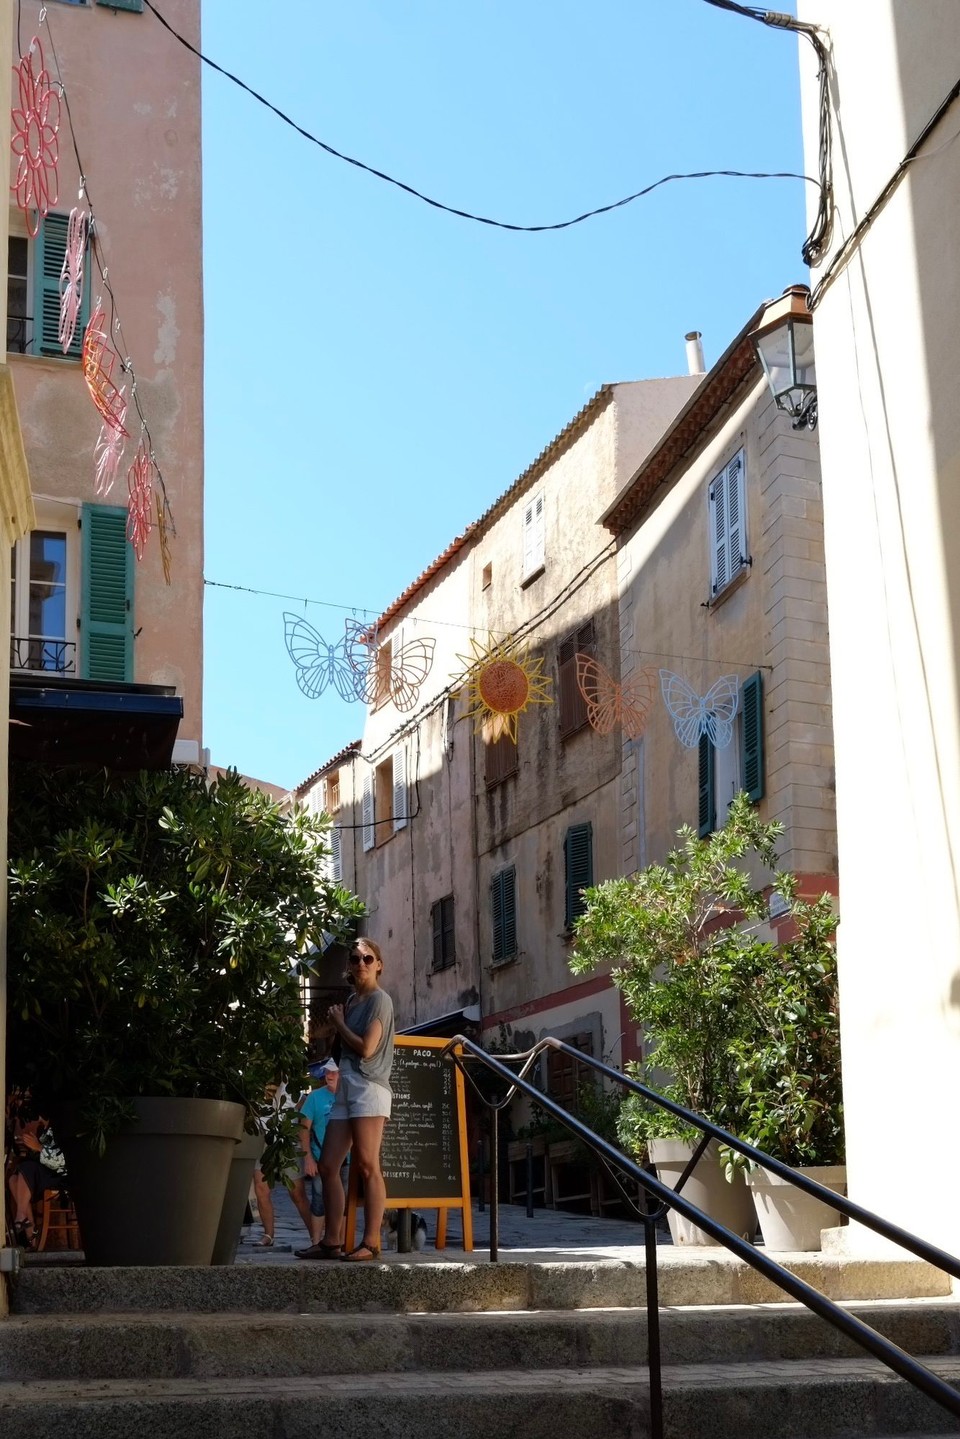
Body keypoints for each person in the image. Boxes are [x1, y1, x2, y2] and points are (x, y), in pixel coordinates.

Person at [310, 939, 394, 1261]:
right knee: (328, 1164)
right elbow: (343, 1044)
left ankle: (371, 1242)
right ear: (349, 966)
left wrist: (339, 1023)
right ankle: (332, 1240)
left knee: (368, 1165)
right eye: (356, 959)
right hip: (345, 1084)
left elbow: (367, 1048)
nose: (361, 963)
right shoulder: (351, 1000)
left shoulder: (379, 1000)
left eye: (368, 958)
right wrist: (337, 1023)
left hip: (369, 1086)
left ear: (379, 964)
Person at [294, 1059, 340, 1259]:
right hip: (321, 1157)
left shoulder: (350, 1096)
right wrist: (308, 1159)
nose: (329, 1076)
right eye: (327, 1072)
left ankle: (339, 1242)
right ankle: (316, 1243)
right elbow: (303, 1129)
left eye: (334, 1072)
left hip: (346, 1159)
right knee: (319, 1201)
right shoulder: (315, 1097)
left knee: (343, 1202)